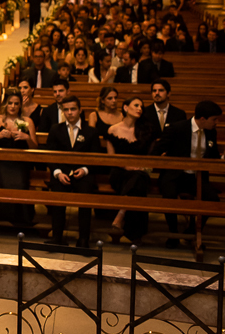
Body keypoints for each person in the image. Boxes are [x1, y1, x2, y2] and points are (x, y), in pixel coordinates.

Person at [151, 100, 222, 249]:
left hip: (195, 176)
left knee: (212, 199)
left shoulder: (211, 131)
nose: (217, 122)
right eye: (214, 119)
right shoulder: (177, 128)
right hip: (175, 174)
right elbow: (157, 150)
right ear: (202, 119)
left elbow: (213, 155)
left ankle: (192, 232)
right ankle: (173, 233)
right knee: (169, 196)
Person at [44, 96, 100, 247]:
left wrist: (84, 170)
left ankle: (83, 239)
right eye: (66, 109)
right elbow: (49, 154)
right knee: (57, 196)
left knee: (85, 198)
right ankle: (57, 237)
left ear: (80, 110)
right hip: (61, 173)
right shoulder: (56, 129)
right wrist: (57, 172)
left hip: (83, 174)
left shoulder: (91, 132)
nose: (70, 113)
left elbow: (96, 158)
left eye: (73, 109)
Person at [0, 90, 37, 226]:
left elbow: (35, 148)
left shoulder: (28, 121)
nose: (12, 106)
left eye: (16, 103)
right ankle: (1, 217)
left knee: (20, 182)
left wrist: (27, 138)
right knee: (4, 180)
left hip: (20, 162)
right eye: (10, 103)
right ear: (5, 104)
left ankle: (20, 219)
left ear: (20, 106)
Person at [105, 97, 154, 243]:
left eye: (141, 106)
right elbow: (111, 158)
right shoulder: (113, 129)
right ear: (126, 108)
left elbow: (151, 158)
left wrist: (140, 167)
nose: (140, 108)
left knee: (138, 179)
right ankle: (136, 235)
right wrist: (126, 166)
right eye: (136, 105)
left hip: (141, 172)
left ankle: (120, 214)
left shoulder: (145, 130)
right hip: (119, 172)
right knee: (136, 182)